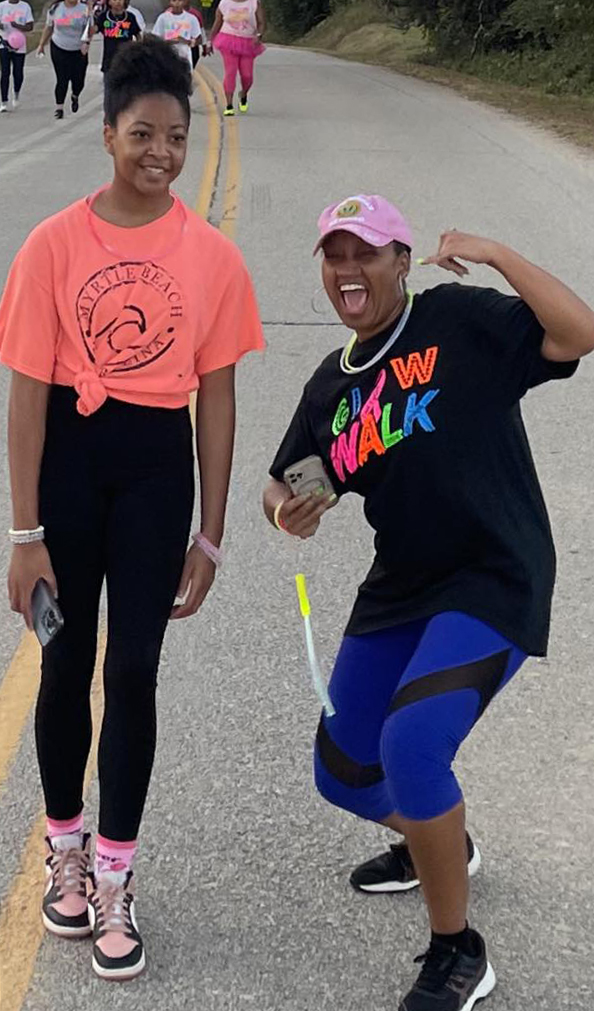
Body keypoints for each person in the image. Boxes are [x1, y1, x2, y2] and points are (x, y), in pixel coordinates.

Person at [263, 194, 594, 1011]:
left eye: (367, 252)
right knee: (344, 769)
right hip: (403, 585)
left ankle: (459, 949)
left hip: (494, 572)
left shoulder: (455, 320)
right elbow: (287, 479)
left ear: (402, 262)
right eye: (335, 254)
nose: (349, 269)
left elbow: (577, 333)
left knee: (411, 744)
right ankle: (434, 839)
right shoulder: (331, 387)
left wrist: (496, 251)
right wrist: (289, 510)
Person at [0, 36, 263, 982]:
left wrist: (212, 531)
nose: (162, 152)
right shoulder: (51, 246)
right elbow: (27, 395)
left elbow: (218, 398)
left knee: (137, 669)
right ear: (108, 133)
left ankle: (116, 872)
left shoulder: (212, 257)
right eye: (143, 133)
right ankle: (64, 850)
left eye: (177, 136)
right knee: (66, 660)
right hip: (69, 469)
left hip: (157, 472)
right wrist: (24, 533)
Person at [36, 0, 90, 120]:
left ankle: (75, 95)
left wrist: (86, 42)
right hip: (59, 46)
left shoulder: (84, 9)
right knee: (62, 79)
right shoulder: (55, 9)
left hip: (78, 49)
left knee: (78, 80)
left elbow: (89, 28)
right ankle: (59, 108)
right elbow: (49, 27)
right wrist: (41, 44)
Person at [210, 0, 264, 116]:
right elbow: (218, 22)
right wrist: (210, 41)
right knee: (230, 72)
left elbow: (261, 23)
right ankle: (229, 105)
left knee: (247, 75)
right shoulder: (224, 3)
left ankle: (243, 94)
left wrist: (259, 35)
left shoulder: (254, 3)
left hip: (248, 42)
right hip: (228, 40)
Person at [89, 0, 141, 107]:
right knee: (109, 91)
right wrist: (89, 17)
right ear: (109, 2)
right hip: (109, 61)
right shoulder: (104, 17)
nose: (117, 2)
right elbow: (93, 30)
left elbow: (137, 34)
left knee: (125, 90)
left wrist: (139, 49)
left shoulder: (130, 17)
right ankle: (109, 112)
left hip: (126, 60)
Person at [152, 0, 205, 73]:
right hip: (167, 56)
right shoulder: (163, 18)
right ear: (170, 2)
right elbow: (155, 38)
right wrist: (168, 41)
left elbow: (199, 39)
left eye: (179, 0)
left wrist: (186, 41)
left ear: (184, 2)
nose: (177, 3)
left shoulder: (191, 18)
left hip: (184, 56)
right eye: (174, 0)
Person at [0, 0, 33, 112]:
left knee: (18, 72)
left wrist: (17, 26)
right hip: (4, 41)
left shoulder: (25, 6)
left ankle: (16, 93)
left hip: (19, 43)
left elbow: (30, 26)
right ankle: (4, 101)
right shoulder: (2, 6)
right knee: (5, 72)